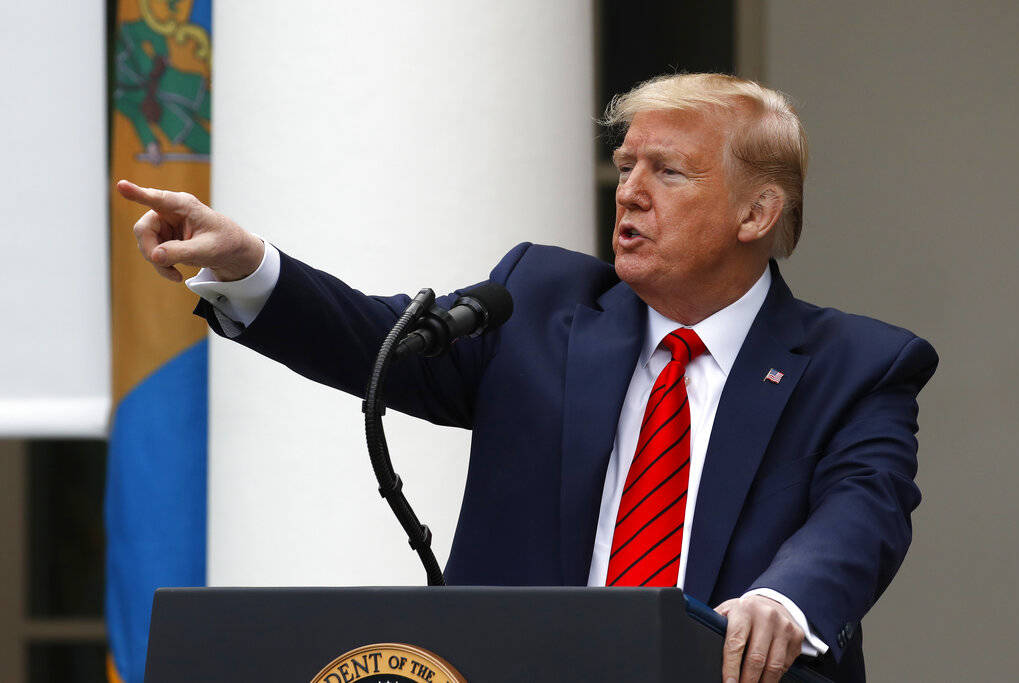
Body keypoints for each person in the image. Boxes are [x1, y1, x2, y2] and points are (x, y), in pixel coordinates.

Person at [117, 73, 937, 683]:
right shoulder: (541, 304)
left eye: (669, 172)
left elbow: (862, 510)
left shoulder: (856, 364)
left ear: (757, 213)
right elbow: (373, 337)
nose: (632, 192)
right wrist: (248, 266)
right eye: (627, 165)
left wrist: (783, 603)